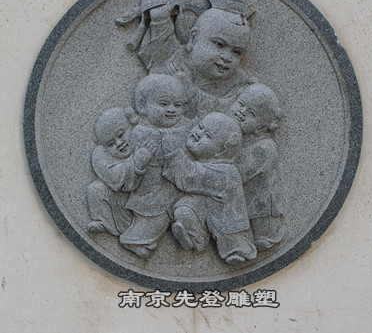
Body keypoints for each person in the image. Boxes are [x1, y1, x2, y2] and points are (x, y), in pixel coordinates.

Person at [162, 112, 257, 265]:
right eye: (200, 126)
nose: (198, 133)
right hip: (203, 206)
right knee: (183, 211)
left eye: (208, 135)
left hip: (225, 220)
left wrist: (173, 153)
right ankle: (196, 239)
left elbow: (189, 176)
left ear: (220, 151)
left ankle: (238, 251)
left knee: (230, 239)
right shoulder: (207, 163)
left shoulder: (224, 172)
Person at [119, 74, 191, 258]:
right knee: (155, 218)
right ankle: (135, 241)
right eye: (164, 104)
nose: (172, 110)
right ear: (143, 105)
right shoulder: (141, 132)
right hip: (153, 187)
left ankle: (191, 234)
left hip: (178, 182)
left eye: (178, 105)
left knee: (186, 208)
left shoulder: (185, 126)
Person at [228, 83, 284, 250]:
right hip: (240, 203)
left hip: (260, 212)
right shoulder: (234, 134)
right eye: (240, 104)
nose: (241, 112)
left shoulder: (265, 148)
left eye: (251, 113)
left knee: (263, 233)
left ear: (262, 127)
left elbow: (237, 173)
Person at [87, 107, 156, 236]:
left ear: (132, 126)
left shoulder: (145, 135)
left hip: (150, 200)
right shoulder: (99, 155)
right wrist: (137, 161)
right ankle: (106, 222)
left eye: (121, 135)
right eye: (110, 144)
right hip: (120, 204)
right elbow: (115, 178)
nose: (119, 143)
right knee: (95, 189)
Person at [115, 0, 183, 74]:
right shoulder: (156, 29)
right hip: (159, 68)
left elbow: (183, 38)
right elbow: (157, 17)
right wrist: (168, 7)